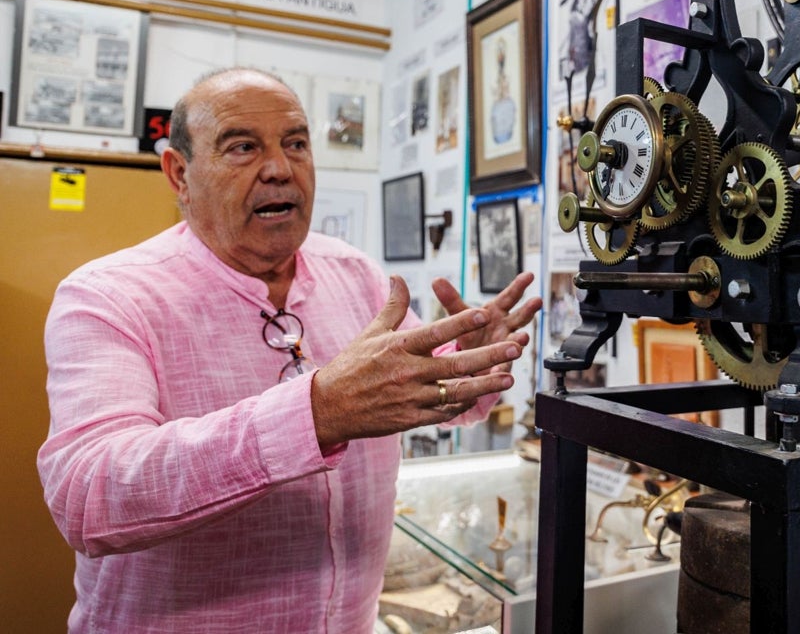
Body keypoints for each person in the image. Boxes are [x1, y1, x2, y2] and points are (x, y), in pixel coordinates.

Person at [37, 67, 541, 633]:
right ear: (179, 173)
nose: (280, 169)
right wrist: (316, 413)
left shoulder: (358, 276)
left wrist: (468, 359)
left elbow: (429, 385)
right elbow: (89, 496)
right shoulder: (109, 296)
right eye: (242, 147)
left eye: (296, 144)